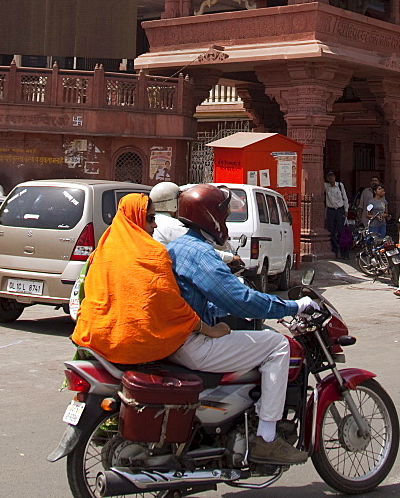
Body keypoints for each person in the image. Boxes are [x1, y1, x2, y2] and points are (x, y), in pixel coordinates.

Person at [167, 184, 320, 465]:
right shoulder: (200, 253)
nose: (224, 222)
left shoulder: (178, 246)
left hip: (176, 338)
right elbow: (238, 299)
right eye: (223, 216)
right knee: (277, 346)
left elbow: (204, 298)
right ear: (210, 217)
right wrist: (291, 306)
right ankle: (266, 437)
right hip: (190, 344)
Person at [72, 193, 227, 365]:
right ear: (135, 219)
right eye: (150, 218)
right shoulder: (153, 254)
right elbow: (172, 306)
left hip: (94, 338)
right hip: (135, 345)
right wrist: (209, 330)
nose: (155, 225)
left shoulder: (101, 251)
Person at [148, 180, 240, 267]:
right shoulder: (172, 225)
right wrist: (231, 258)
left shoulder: (154, 221)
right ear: (173, 203)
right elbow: (199, 248)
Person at [323, 171, 350, 259]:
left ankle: (344, 253)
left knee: (341, 231)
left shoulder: (340, 186)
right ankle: (334, 251)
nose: (331, 178)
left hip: (340, 210)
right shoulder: (326, 187)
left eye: (332, 176)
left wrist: (346, 210)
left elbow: (345, 198)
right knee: (331, 231)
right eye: (329, 177)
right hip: (331, 210)